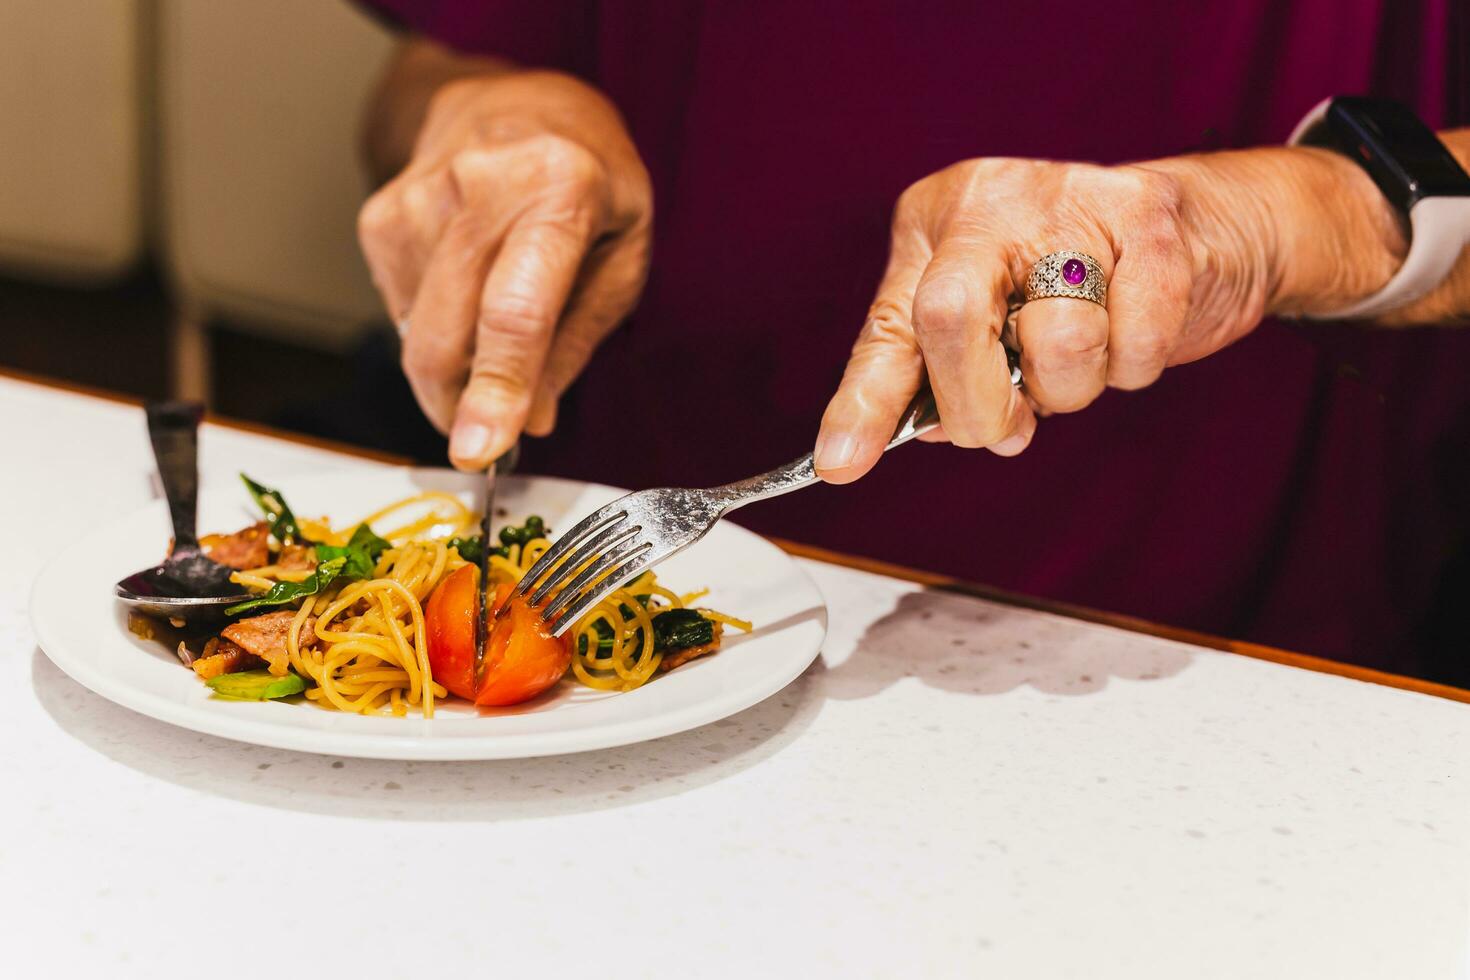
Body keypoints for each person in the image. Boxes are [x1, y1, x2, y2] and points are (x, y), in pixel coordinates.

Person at [352, 1, 1470, 674]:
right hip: (638, 622)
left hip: (1245, 658)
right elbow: (440, 63)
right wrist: (497, 113)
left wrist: (1289, 216)